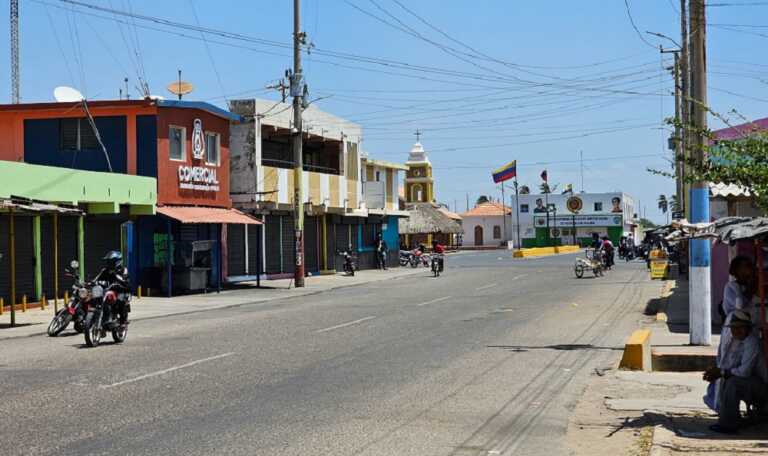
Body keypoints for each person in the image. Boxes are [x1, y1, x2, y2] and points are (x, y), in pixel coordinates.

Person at [703, 310, 768, 434]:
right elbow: (730, 367)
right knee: (728, 380)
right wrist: (718, 372)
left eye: (740, 328)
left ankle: (728, 424)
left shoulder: (751, 342)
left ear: (747, 328)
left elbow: (744, 372)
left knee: (733, 383)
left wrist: (722, 373)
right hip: (753, 383)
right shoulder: (738, 342)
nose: (736, 331)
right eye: (734, 328)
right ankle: (731, 417)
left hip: (762, 386)